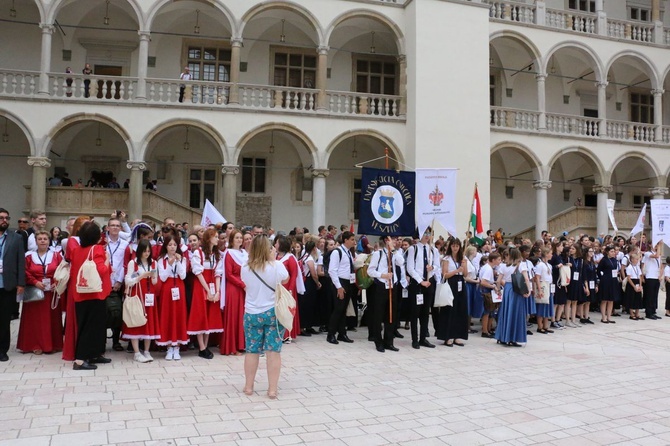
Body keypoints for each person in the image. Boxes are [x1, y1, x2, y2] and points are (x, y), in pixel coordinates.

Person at [240, 235, 289, 399]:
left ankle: (248, 386)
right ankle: (272, 389)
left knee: (252, 350)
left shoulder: (245, 267)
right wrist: (273, 257)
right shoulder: (277, 265)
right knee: (273, 351)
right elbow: (286, 278)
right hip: (272, 312)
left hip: (251, 312)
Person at [69, 221, 112, 370]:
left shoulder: (76, 250)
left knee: (88, 325)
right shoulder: (98, 250)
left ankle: (94, 354)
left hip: (81, 292)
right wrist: (107, 259)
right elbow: (103, 270)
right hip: (95, 293)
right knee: (91, 327)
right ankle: (80, 359)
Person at [17, 230, 63, 354]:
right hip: (35, 292)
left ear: (49, 241)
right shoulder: (28, 256)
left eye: (45, 239)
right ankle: (34, 344)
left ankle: (52, 345)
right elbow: (24, 271)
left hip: (51, 292)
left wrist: (56, 282)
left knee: (51, 320)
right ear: (36, 241)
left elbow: (62, 271)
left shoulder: (56, 255)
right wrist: (35, 282)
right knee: (35, 320)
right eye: (40, 239)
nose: (42, 241)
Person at [187, 228, 224, 359]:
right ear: (209, 238)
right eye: (215, 236)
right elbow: (198, 272)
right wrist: (207, 290)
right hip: (201, 285)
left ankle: (205, 345)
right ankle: (202, 347)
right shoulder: (199, 252)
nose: (217, 239)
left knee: (210, 315)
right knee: (201, 314)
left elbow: (218, 273)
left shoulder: (217, 254)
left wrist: (218, 291)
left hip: (213, 284)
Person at [123, 240, 160, 363]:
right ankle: (136, 352)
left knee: (149, 321)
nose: (147, 254)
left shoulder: (154, 263)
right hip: (137, 294)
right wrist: (141, 276)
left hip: (150, 295)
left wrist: (153, 277)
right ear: (139, 251)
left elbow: (155, 282)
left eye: (149, 251)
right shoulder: (133, 263)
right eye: (144, 251)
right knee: (136, 320)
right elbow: (128, 280)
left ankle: (147, 351)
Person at [366, 235, 405, 352]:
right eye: (392, 239)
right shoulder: (378, 254)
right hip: (382, 285)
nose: (394, 241)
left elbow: (401, 262)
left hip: (393, 286)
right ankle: (378, 342)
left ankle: (389, 341)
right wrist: (382, 275)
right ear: (386, 241)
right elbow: (370, 271)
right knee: (379, 314)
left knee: (391, 315)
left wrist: (393, 250)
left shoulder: (395, 253)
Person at [405, 228, 440, 349]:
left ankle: (423, 338)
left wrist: (433, 268)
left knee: (425, 312)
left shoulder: (433, 250)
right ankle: (415, 339)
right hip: (417, 284)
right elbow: (410, 268)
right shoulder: (413, 249)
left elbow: (437, 266)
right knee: (415, 312)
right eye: (424, 233)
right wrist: (421, 281)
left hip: (429, 283)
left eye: (429, 233)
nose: (427, 236)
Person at [157, 235, 189, 360]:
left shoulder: (182, 259)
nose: (172, 247)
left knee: (179, 315)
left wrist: (178, 262)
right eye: (170, 245)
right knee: (168, 315)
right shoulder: (161, 259)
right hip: (167, 288)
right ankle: (169, 346)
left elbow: (183, 276)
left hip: (179, 287)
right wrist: (170, 264)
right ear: (166, 246)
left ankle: (177, 346)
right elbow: (163, 277)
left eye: (174, 245)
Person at [0, 208, 25, 361]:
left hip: (7, 285)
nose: (4, 220)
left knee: (4, 319)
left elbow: (20, 261)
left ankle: (3, 350)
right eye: (1, 217)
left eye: (6, 218)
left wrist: (21, 283)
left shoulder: (15, 238)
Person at [495, 247, 531, 347]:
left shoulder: (503, 266)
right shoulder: (521, 265)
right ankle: (513, 338)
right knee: (515, 313)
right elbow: (526, 279)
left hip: (507, 289)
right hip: (517, 290)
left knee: (505, 313)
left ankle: (502, 336)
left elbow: (498, 281)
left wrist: (498, 290)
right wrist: (529, 290)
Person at [326, 231, 357, 345]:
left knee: (344, 309)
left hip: (348, 281)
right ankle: (331, 334)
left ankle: (342, 333)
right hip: (340, 282)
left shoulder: (348, 252)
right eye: (352, 239)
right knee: (338, 309)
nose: (354, 242)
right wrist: (339, 286)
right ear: (346, 240)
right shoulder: (337, 252)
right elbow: (332, 270)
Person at [220, 229, 248, 355]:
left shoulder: (244, 254)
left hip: (244, 289)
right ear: (231, 240)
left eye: (240, 238)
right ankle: (232, 346)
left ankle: (242, 344)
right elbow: (229, 274)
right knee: (234, 316)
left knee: (242, 316)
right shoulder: (228, 253)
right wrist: (241, 284)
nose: (239, 240)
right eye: (236, 237)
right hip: (234, 289)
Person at [437, 238, 468, 347]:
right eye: (453, 246)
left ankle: (458, 335)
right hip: (451, 283)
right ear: (450, 247)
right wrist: (456, 271)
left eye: (457, 246)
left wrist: (464, 266)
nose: (455, 248)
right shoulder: (447, 259)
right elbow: (444, 274)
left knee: (460, 309)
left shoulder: (462, 258)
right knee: (450, 309)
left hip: (461, 283)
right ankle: (447, 336)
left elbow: (465, 274)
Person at [105, 217, 128, 351]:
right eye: (112, 225)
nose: (115, 228)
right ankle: (101, 340)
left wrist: (119, 281)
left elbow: (124, 264)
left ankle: (115, 341)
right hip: (104, 282)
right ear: (107, 228)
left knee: (118, 312)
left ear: (120, 228)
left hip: (118, 282)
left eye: (117, 226)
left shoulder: (124, 245)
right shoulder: (102, 243)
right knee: (103, 311)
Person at [275, 236, 303, 342]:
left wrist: (290, 289)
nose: (275, 245)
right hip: (277, 287)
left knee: (286, 311)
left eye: (277, 243)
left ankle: (287, 334)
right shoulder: (276, 256)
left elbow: (294, 274)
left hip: (287, 289)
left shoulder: (290, 258)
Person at [597, 245, 618, 323]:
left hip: (613, 280)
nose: (613, 253)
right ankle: (603, 317)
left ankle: (609, 316)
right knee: (604, 299)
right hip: (606, 281)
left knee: (611, 300)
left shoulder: (614, 260)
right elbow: (599, 270)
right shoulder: (604, 260)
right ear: (607, 252)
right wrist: (602, 278)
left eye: (614, 251)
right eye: (611, 251)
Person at [625, 252, 644, 320]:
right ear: (632, 259)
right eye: (636, 259)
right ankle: (631, 314)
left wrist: (640, 285)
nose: (637, 260)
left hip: (637, 282)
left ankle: (637, 313)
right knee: (631, 299)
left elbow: (640, 276)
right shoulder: (629, 267)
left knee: (638, 299)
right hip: (632, 284)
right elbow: (629, 278)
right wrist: (634, 286)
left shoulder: (637, 267)